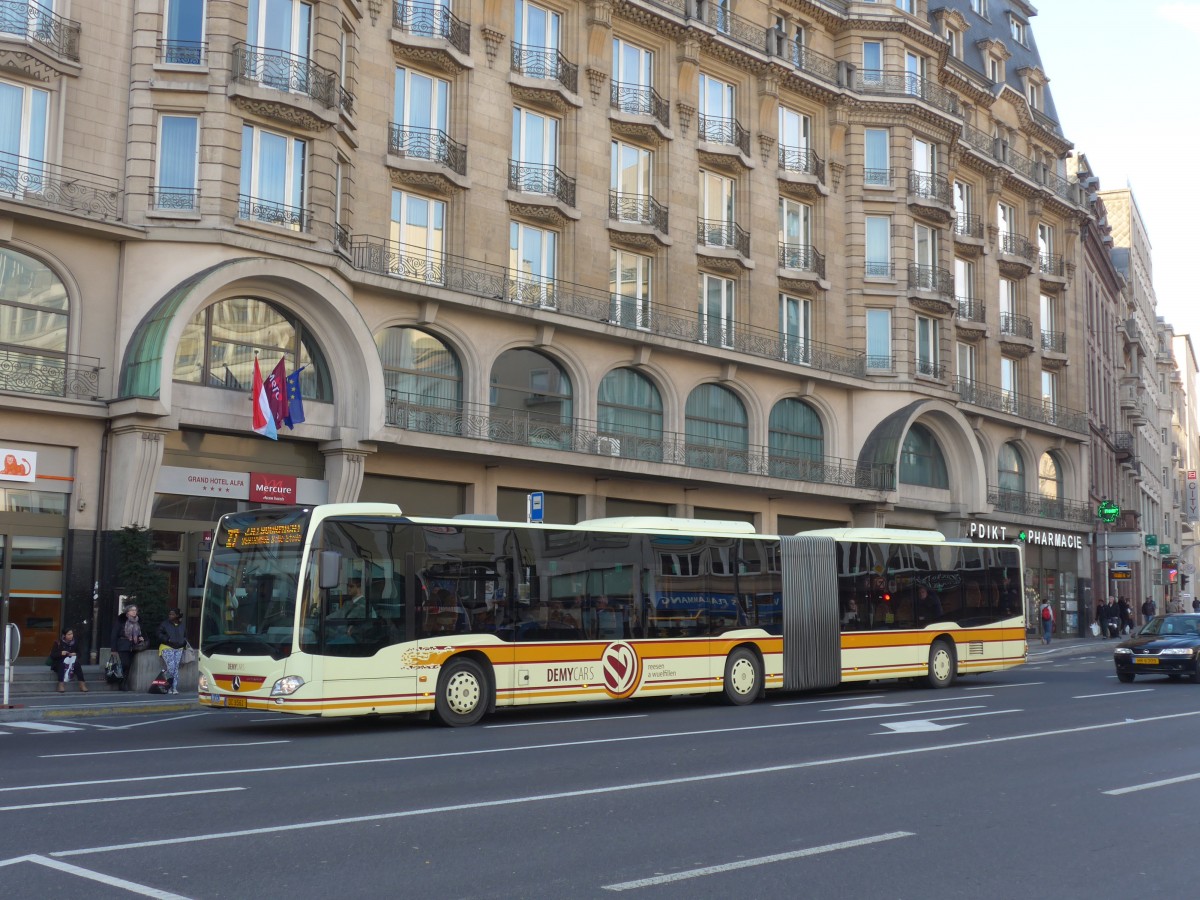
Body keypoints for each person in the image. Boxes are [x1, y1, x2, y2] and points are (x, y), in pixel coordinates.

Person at [109, 603, 148, 691]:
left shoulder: (138, 621)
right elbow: (114, 634)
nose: (134, 612)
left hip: (134, 646)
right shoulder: (121, 620)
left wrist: (141, 638)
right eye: (132, 610)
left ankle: (124, 683)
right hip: (123, 645)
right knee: (125, 664)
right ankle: (121, 682)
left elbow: (142, 633)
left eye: (135, 610)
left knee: (129, 665)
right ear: (127, 612)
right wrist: (113, 649)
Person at [157, 607, 187, 694]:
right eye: (169, 614)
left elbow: (185, 635)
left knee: (175, 668)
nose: (170, 615)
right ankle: (168, 687)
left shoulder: (182, 625)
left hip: (179, 648)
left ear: (177, 615)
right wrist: (167, 639)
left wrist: (183, 642)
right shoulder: (165, 624)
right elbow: (158, 633)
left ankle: (174, 688)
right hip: (167, 647)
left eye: (173, 614)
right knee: (171, 667)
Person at [50, 628, 88, 693]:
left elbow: (79, 653)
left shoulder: (75, 642)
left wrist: (75, 654)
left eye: (72, 634)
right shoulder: (58, 642)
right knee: (62, 663)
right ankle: (61, 685)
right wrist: (61, 653)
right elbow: (53, 655)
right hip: (59, 661)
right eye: (69, 634)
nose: (71, 636)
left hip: (71, 662)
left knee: (77, 664)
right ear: (64, 635)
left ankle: (82, 684)